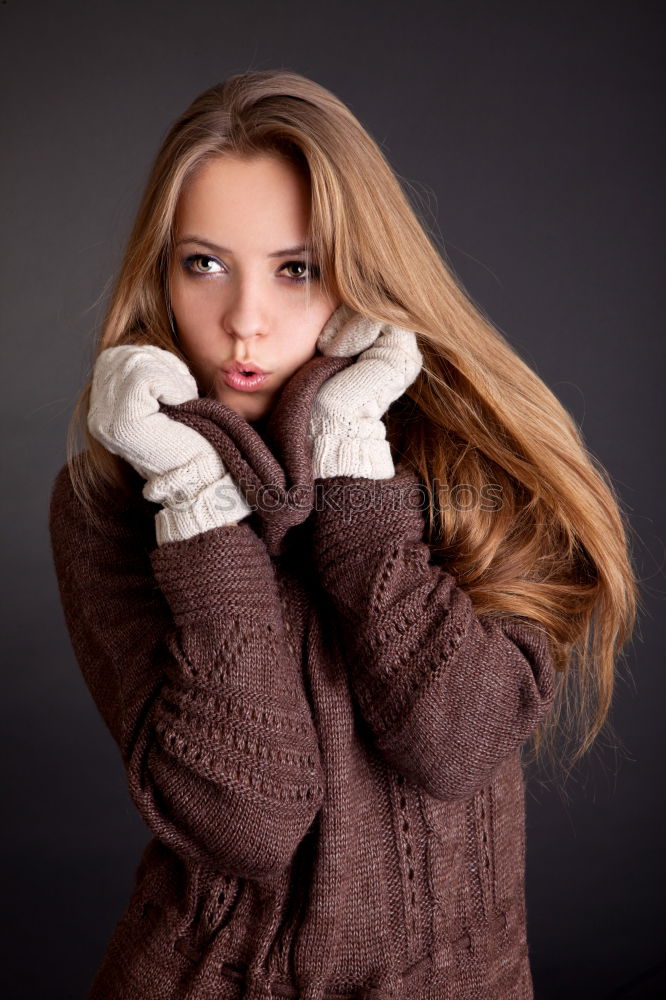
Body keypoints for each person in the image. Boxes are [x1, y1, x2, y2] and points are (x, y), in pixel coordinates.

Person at [48, 70, 638, 1000]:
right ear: (158, 272)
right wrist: (195, 494)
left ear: (360, 271)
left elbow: (455, 743)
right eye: (203, 263)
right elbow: (247, 821)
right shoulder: (114, 494)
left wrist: (354, 467)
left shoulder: (474, 462)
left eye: (297, 268)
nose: (246, 319)